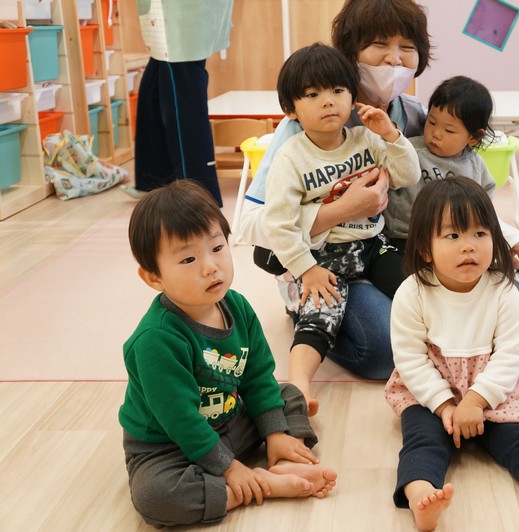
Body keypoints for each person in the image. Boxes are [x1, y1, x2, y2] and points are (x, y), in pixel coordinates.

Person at [119, 180, 336, 527]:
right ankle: (258, 485)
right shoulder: (156, 340)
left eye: (217, 247)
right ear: (153, 278)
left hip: (229, 420)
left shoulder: (237, 307)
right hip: (169, 445)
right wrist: (231, 469)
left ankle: (283, 455)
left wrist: (274, 433)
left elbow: (257, 376)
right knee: (155, 496)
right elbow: (182, 421)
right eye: (188, 259)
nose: (210, 266)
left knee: (287, 395)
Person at [239, 0, 432, 384]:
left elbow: (443, 178)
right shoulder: (300, 132)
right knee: (382, 352)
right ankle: (303, 307)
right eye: (379, 44)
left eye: (407, 47)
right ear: (351, 51)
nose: (394, 59)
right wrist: (343, 209)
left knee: (437, 303)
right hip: (321, 256)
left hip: (379, 245)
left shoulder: (408, 116)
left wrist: (505, 234)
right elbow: (251, 227)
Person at [385, 177, 519, 531]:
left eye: (480, 233)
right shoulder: (411, 293)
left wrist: (476, 401)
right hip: (430, 392)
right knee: (422, 440)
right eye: (453, 235)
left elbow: (509, 355)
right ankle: (420, 494)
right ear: (425, 249)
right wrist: (445, 406)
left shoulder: (504, 291)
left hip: (493, 391)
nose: (469, 247)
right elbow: (410, 360)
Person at [260, 43, 420, 415]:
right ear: (291, 109)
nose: (328, 101)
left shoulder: (366, 140)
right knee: (320, 318)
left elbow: (407, 175)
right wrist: (306, 269)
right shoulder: (291, 157)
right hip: (323, 256)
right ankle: (298, 385)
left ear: (351, 96)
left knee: (415, 290)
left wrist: (391, 135)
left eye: (337, 90)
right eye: (312, 95)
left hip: (372, 244)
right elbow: (279, 225)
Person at [383, 75, 519, 320]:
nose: (435, 134)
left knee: (518, 300)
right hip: (407, 241)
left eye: (449, 130)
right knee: (414, 292)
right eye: (431, 122)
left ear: (473, 137)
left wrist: (507, 238)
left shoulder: (476, 167)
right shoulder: (409, 150)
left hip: (458, 247)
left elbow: (484, 217)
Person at [121, 0, 230, 205]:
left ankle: (199, 193)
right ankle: (155, 181)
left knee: (183, 96)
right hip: (168, 14)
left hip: (182, 14)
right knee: (154, 87)